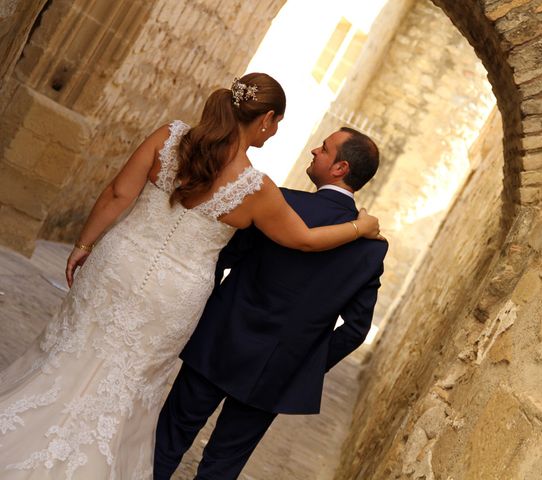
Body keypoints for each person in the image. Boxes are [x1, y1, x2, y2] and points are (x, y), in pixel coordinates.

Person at [0, 73, 382, 479]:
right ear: (265, 118)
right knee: (134, 390)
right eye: (277, 125)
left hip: (124, 269)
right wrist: (363, 227)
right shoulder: (258, 189)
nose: (277, 135)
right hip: (180, 300)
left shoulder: (170, 137)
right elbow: (307, 246)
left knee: (77, 357)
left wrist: (83, 245)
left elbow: (118, 194)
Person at [154, 126, 388, 479]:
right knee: (223, 465)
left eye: (324, 150)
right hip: (279, 370)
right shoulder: (371, 248)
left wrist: (212, 314)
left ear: (340, 168)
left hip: (221, 340)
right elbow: (355, 330)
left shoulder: (280, 202)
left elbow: (223, 259)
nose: (314, 151)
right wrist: (304, 361)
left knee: (170, 436)